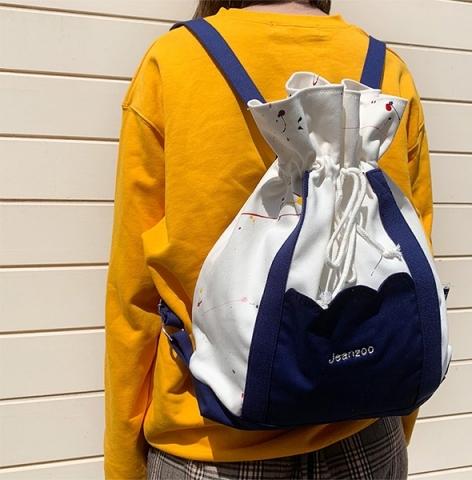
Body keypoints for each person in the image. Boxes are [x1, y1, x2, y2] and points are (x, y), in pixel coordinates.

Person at [105, 1, 433, 478]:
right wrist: (395, 423)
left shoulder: (173, 63)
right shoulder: (388, 72)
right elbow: (415, 269)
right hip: (365, 437)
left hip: (211, 447)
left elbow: (133, 297)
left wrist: (122, 463)